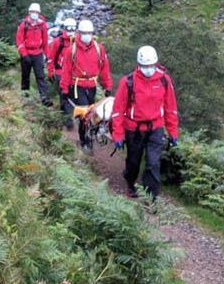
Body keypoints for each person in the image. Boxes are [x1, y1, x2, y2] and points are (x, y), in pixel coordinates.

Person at [111, 46, 179, 201]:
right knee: (133, 161)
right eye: (145, 66)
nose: (148, 69)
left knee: (153, 162)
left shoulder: (164, 80)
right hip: (134, 129)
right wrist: (118, 135)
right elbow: (118, 110)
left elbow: (171, 108)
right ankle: (130, 182)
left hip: (155, 128)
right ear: (139, 65)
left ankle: (151, 196)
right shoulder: (128, 82)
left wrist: (173, 132)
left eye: (151, 66)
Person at [61, 19, 112, 151]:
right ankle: (84, 140)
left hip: (92, 86)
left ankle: (90, 134)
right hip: (78, 86)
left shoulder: (98, 49)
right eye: (84, 33)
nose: (87, 35)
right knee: (84, 114)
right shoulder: (71, 50)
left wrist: (107, 86)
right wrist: (65, 88)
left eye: (89, 33)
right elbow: (66, 70)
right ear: (79, 33)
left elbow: (104, 68)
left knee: (92, 112)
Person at [16, 3, 51, 106]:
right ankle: (24, 95)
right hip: (26, 53)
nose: (34, 14)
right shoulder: (24, 25)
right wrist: (24, 54)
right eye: (32, 12)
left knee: (40, 76)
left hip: (38, 53)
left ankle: (44, 97)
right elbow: (19, 41)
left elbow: (45, 42)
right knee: (25, 76)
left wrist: (48, 56)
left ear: (39, 13)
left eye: (36, 12)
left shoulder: (42, 25)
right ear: (29, 12)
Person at [47, 18, 78, 127]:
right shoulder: (58, 42)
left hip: (75, 75)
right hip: (61, 72)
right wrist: (50, 72)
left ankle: (68, 115)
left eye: (73, 28)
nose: (70, 31)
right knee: (64, 96)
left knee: (72, 96)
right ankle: (67, 119)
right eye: (68, 28)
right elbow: (51, 58)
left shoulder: (78, 42)